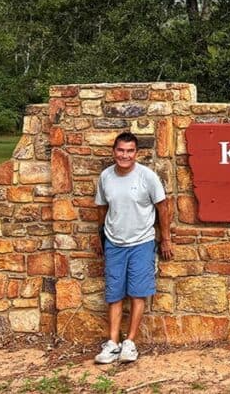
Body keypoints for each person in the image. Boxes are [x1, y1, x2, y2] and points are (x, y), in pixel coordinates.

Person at [93, 132, 173, 364]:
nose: (124, 155)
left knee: (138, 293)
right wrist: (99, 237)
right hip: (114, 243)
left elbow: (163, 207)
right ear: (114, 151)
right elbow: (101, 209)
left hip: (142, 242)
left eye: (129, 151)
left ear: (136, 153)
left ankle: (130, 342)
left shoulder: (147, 177)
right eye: (120, 150)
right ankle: (112, 343)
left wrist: (165, 239)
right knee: (114, 294)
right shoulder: (106, 177)